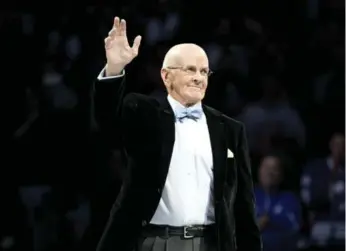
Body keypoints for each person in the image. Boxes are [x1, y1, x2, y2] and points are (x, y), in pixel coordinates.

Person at [93, 17, 262, 251]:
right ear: (166, 76)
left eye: (204, 71)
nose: (198, 77)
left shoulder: (231, 130)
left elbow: (243, 207)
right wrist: (114, 68)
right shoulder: (145, 114)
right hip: (154, 242)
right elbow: (106, 121)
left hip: (212, 243)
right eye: (190, 69)